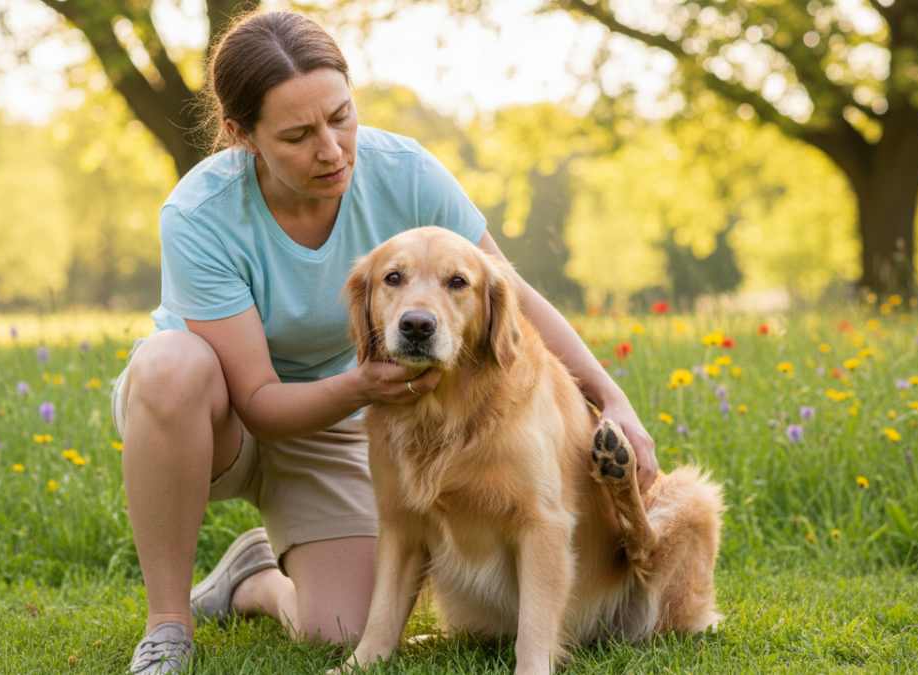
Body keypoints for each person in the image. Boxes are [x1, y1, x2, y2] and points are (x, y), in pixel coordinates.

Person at [111, 10, 658, 674]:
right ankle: (169, 621)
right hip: (218, 414)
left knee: (337, 625)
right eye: (297, 134)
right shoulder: (200, 215)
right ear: (241, 135)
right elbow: (258, 399)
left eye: (341, 116)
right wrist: (365, 385)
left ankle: (253, 577)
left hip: (340, 417)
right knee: (172, 363)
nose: (332, 149)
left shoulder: (404, 172)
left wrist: (611, 399)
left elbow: (508, 293)